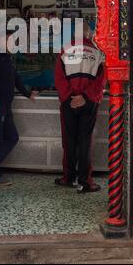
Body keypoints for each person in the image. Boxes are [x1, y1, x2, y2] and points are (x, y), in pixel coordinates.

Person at [0, 31, 37, 187]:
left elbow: (15, 78)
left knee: (12, 137)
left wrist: (27, 93)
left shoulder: (7, 57)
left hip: (5, 105)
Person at [54, 22, 106, 193]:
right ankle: (85, 181)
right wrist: (85, 97)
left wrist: (71, 97)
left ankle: (68, 178)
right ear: (89, 34)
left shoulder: (65, 50)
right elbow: (101, 80)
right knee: (85, 142)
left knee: (69, 140)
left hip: (69, 103)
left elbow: (59, 78)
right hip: (89, 104)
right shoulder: (98, 53)